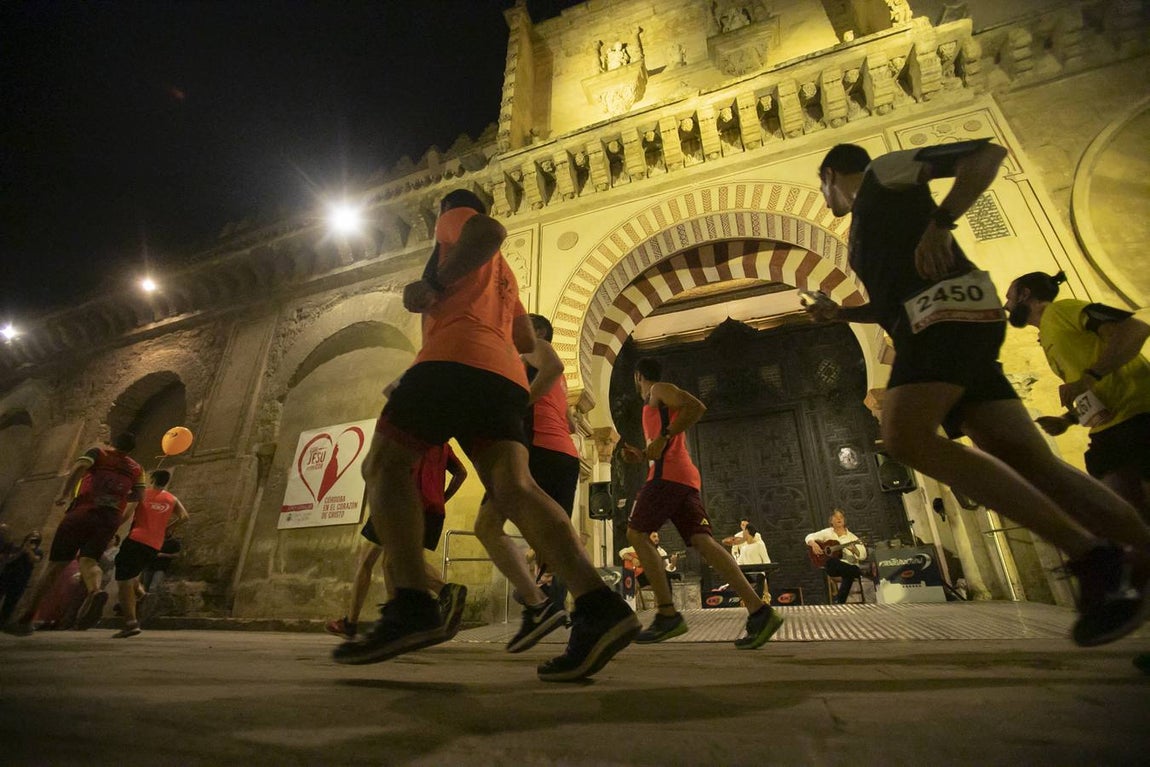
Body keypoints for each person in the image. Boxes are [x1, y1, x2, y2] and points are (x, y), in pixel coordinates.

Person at [805, 141, 1150, 645]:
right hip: (942, 327)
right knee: (1034, 464)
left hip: (946, 321)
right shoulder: (863, 231)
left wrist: (941, 224)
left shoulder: (883, 173)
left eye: (822, 186)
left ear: (832, 173)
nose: (824, 197)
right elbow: (889, 303)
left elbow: (986, 156)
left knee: (903, 436)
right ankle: (1137, 551)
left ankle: (1090, 554)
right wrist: (840, 314)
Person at [334, 189, 639, 683]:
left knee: (385, 466)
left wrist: (433, 281)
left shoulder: (458, 219)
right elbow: (522, 340)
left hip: (452, 359)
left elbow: (488, 229)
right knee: (517, 489)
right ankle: (599, 603)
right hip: (502, 377)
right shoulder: (506, 276)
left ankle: (412, 601)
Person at [621, 358, 784, 648]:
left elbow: (695, 407)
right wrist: (643, 455)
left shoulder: (659, 389)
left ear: (637, 376)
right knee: (704, 542)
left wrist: (664, 436)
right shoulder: (655, 406)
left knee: (636, 533)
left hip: (666, 478)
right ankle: (760, 611)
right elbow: (661, 446)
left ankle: (667, 615)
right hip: (680, 477)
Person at [1005, 270, 1150, 520]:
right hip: (1108, 429)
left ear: (1025, 295)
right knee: (1123, 516)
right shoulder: (1048, 336)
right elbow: (1090, 389)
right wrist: (1068, 420)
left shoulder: (1061, 311)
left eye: (1009, 298)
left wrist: (1090, 376)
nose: (1006, 305)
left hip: (1138, 417)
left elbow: (1135, 329)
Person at [5, 432, 145, 636]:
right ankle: (95, 590)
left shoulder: (98, 452)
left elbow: (80, 468)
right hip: (110, 518)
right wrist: (118, 496)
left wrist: (64, 494)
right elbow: (139, 496)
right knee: (89, 560)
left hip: (83, 512)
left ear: (114, 442)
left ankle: (26, 619)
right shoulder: (137, 468)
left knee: (55, 566)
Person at [326, 443, 468, 640]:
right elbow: (461, 473)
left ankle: (445, 591)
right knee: (390, 562)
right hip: (432, 512)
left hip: (400, 503)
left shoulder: (407, 433)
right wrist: (441, 498)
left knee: (370, 560)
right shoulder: (443, 443)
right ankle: (399, 620)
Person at [519, 313, 582, 613]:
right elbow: (571, 424)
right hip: (566, 455)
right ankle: (548, 586)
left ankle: (546, 585)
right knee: (556, 525)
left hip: (542, 448)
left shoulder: (536, 349)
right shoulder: (563, 382)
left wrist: (520, 403)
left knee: (538, 522)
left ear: (540, 331)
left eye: (523, 325)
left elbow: (552, 365)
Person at [112, 469, 189, 638]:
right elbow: (184, 517)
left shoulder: (142, 493)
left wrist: (112, 528)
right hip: (155, 544)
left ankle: (131, 623)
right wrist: (168, 528)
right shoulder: (172, 498)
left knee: (123, 578)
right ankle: (142, 594)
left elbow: (126, 514)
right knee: (132, 573)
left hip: (136, 538)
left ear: (152, 478)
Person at [805, 510, 867, 603]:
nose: (839, 519)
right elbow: (809, 536)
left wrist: (855, 550)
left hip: (849, 566)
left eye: (841, 517)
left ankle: (840, 601)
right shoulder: (827, 533)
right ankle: (860, 572)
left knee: (849, 573)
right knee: (832, 561)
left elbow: (863, 556)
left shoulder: (853, 538)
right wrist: (813, 543)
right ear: (831, 521)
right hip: (834, 568)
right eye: (836, 517)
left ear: (844, 520)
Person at [0, 531, 43, 627]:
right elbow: (7, 560)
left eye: (36, 538)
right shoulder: (16, 549)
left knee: (10, 603)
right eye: (32, 537)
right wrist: (22, 550)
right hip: (6, 576)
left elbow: (35, 560)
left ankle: (2, 622)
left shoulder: (38, 551)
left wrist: (29, 551)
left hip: (21, 580)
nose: (33, 540)